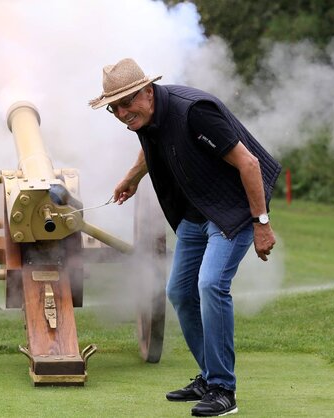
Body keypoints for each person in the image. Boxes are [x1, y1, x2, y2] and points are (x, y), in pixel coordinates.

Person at [89, 58, 281, 416]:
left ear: (147, 91)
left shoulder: (194, 112)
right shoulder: (146, 119)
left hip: (234, 210)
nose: (121, 113)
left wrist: (262, 223)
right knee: (179, 291)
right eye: (113, 108)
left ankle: (225, 391)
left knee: (210, 285)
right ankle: (209, 379)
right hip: (197, 214)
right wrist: (133, 178)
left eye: (126, 103)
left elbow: (249, 164)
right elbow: (151, 149)